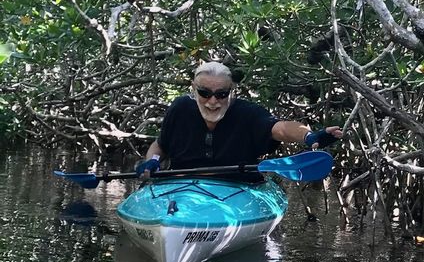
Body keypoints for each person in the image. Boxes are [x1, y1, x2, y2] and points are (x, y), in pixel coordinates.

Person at [136, 61, 342, 179]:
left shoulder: (248, 113)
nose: (213, 101)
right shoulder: (180, 108)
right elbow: (160, 145)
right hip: (182, 186)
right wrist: (152, 162)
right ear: (193, 89)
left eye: (221, 94)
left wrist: (309, 136)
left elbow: (281, 128)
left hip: (237, 186)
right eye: (205, 93)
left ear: (231, 92)